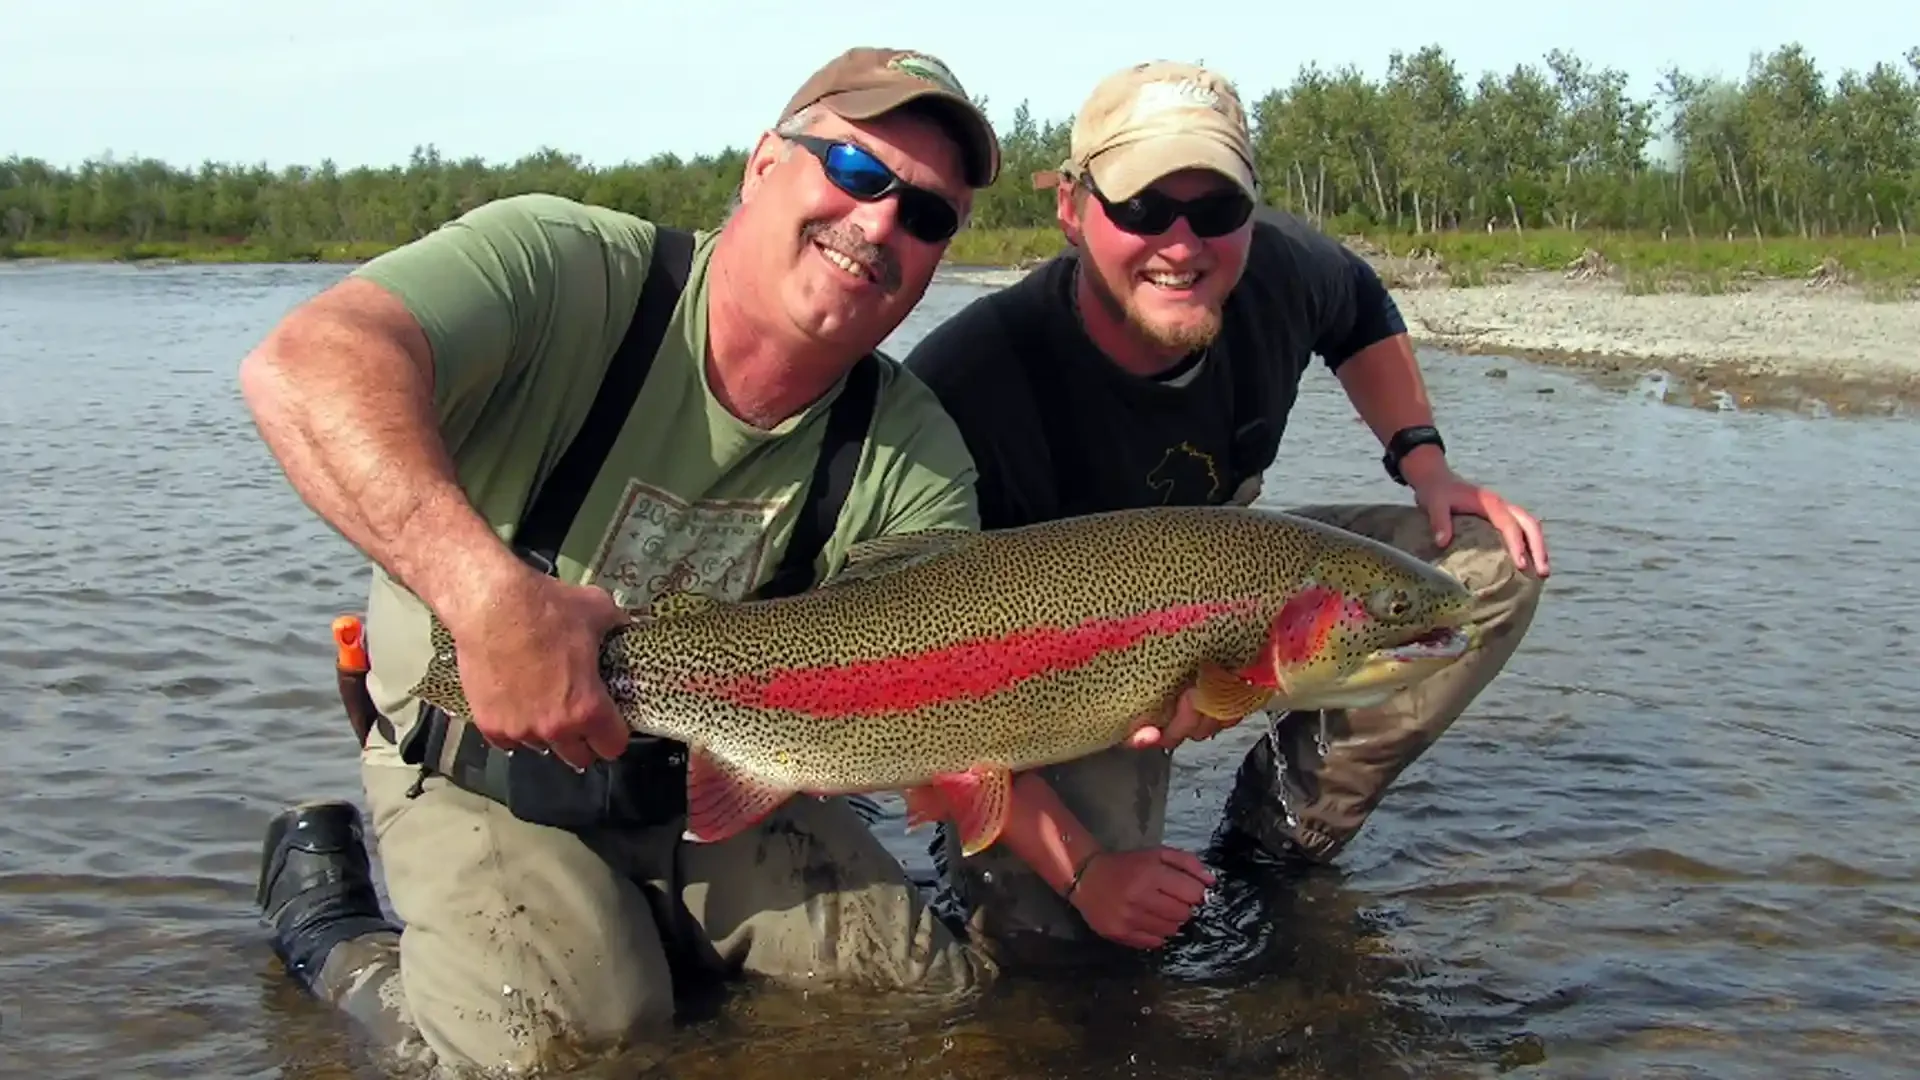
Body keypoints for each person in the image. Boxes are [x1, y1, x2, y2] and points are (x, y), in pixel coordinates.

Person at [238, 46, 1004, 1074]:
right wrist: (486, 596)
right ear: (763, 162)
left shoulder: (912, 447)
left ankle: (652, 945)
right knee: (572, 1048)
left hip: (717, 780)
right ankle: (338, 939)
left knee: (933, 1012)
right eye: (857, 173)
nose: (878, 225)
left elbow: (940, 676)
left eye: (927, 216)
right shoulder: (564, 266)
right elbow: (303, 367)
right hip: (483, 772)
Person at [902, 60, 1549, 966]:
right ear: (1073, 211)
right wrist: (1085, 870)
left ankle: (1276, 838)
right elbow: (923, 678)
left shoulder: (1279, 269)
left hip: (1232, 587)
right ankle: (980, 859)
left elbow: (1359, 306)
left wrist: (1425, 463)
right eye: (1140, 209)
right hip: (1038, 663)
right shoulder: (973, 381)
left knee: (1484, 568)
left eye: (1215, 211)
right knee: (1062, 943)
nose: (1183, 242)